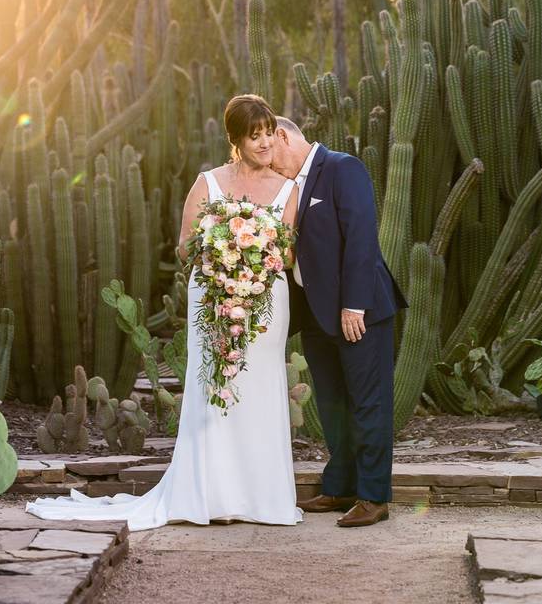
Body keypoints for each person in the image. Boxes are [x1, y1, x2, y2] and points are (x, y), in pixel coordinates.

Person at [25, 95, 303, 531]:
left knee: (260, 388)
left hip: (265, 302)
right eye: (256, 135)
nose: (266, 142)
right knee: (212, 386)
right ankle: (208, 493)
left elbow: (286, 253)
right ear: (236, 139)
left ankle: (260, 496)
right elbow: (185, 246)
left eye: (270, 132)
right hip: (211, 294)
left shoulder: (289, 189)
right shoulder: (208, 183)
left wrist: (252, 255)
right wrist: (223, 247)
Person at [270, 117, 407, 527]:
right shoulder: (285, 186)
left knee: (368, 404)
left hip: (358, 313)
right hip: (315, 315)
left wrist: (355, 305)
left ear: (283, 136)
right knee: (332, 406)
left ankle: (373, 497)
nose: (267, 163)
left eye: (269, 150)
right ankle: (339, 487)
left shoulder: (342, 168)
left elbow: (361, 237)